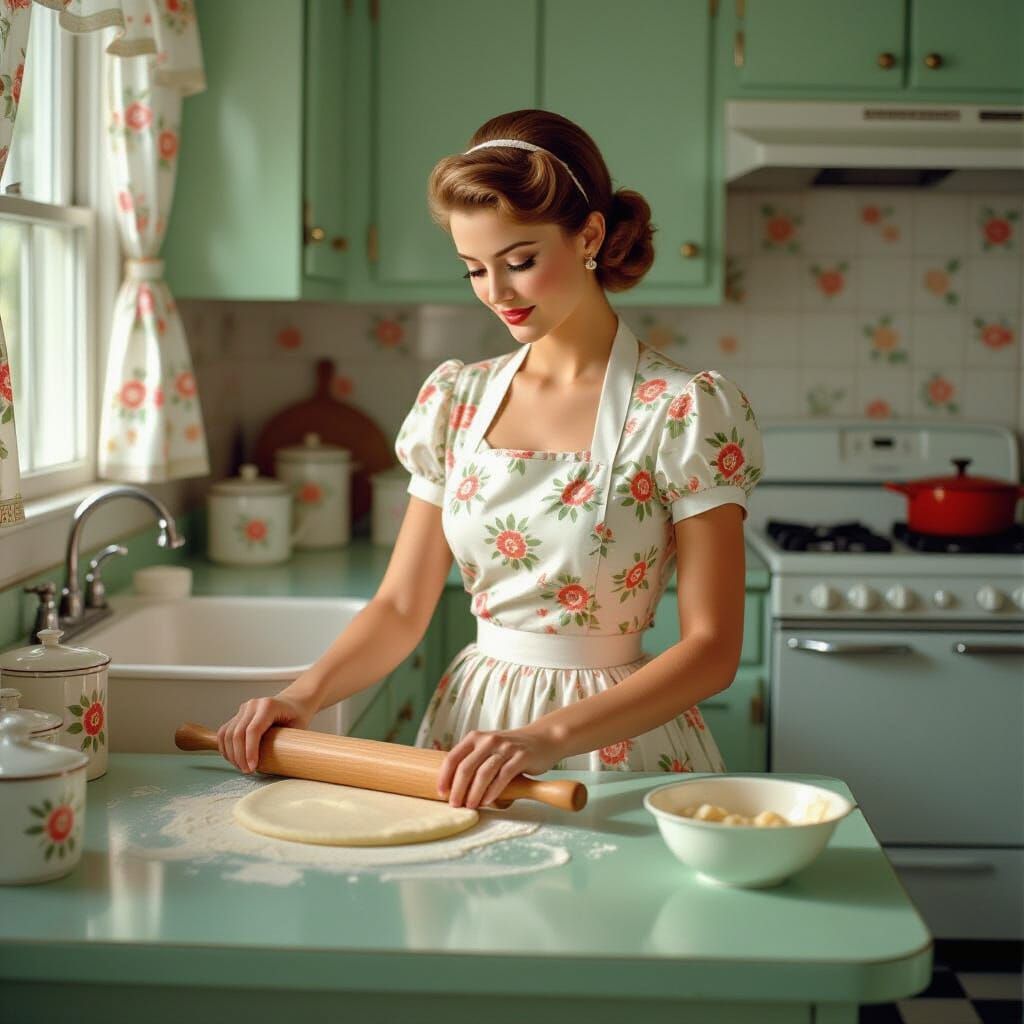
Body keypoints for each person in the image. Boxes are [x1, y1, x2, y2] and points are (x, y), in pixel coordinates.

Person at [216, 109, 765, 811]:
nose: (496, 293)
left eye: (521, 261)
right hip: (470, 730)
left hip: (614, 741)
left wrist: (543, 737)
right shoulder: (458, 398)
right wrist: (301, 696)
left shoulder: (684, 409)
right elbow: (401, 605)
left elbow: (714, 649)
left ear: (589, 235)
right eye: (475, 268)